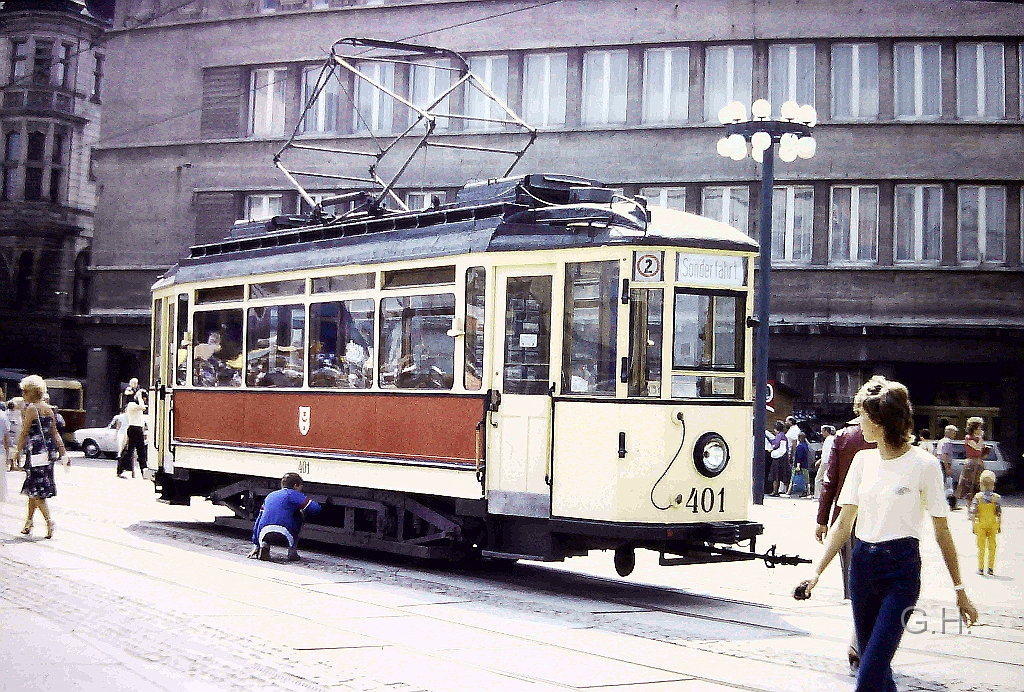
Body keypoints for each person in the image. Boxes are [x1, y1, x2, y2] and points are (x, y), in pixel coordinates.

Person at [797, 376, 978, 692]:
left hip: (901, 572)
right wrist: (816, 574)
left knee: (870, 673)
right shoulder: (862, 461)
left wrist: (960, 589)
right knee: (877, 670)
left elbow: (943, 531)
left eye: (863, 416)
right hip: (863, 567)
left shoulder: (924, 465)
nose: (858, 422)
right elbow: (843, 524)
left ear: (880, 421)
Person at [816, 413, 876, 675]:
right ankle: (861, 643)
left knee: (857, 583)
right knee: (877, 585)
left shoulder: (843, 436)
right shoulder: (885, 435)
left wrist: (822, 519)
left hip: (847, 516)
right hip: (879, 516)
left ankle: (858, 644)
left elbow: (830, 481)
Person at [13, 375, 70, 539]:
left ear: (32, 392)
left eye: (25, 391)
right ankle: (28, 522)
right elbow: (55, 433)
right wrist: (63, 452)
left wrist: (17, 452)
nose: (23, 394)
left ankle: (49, 521)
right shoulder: (48, 408)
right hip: (48, 454)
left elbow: (24, 432)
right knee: (34, 488)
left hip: (35, 453)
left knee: (36, 491)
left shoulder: (32, 409)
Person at [247, 473, 321, 561]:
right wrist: (298, 507)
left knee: (265, 517)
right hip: (284, 534)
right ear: (295, 486)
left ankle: (264, 545)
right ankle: (292, 552)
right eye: (301, 486)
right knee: (299, 514)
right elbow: (316, 508)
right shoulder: (293, 494)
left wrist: (256, 544)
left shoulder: (270, 496)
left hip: (264, 534)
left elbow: (258, 520)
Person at [969, 470, 1001, 576]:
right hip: (992, 524)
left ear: (981, 484)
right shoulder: (996, 498)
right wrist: (999, 526)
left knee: (981, 547)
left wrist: (973, 525)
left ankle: (981, 568)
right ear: (993, 484)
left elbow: (973, 512)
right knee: (992, 546)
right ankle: (991, 568)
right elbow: (998, 513)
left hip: (980, 524)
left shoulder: (978, 497)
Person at [956, 417, 987, 506]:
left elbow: (981, 451)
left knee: (979, 486)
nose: (980, 429)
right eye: (979, 427)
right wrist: (980, 438)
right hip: (971, 463)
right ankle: (969, 508)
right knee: (969, 486)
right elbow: (977, 447)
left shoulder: (978, 438)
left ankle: (977, 506)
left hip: (979, 463)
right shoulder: (968, 438)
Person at [117, 399, 147, 478]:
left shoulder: (136, 407)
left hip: (139, 429)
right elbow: (142, 407)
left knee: (141, 452)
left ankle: (143, 471)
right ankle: (121, 469)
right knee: (129, 451)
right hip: (133, 428)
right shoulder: (131, 404)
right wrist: (140, 396)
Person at [936, 424, 959, 510]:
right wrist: (947, 468)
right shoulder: (947, 442)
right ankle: (948, 504)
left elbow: (936, 453)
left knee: (942, 484)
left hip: (939, 463)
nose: (954, 435)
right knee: (946, 485)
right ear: (949, 432)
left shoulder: (941, 441)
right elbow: (944, 455)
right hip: (943, 463)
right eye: (954, 433)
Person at [814, 425, 836, 499]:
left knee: (818, 479)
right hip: (827, 461)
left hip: (826, 462)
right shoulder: (831, 439)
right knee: (826, 479)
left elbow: (829, 452)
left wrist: (823, 461)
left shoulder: (829, 439)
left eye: (823, 431)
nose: (822, 433)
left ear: (826, 431)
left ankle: (817, 496)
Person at [768, 421, 790, 496]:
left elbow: (775, 445)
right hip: (784, 457)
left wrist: (771, 448)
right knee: (784, 475)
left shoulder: (778, 436)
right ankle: (787, 491)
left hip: (778, 458)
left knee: (775, 476)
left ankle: (775, 491)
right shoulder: (784, 436)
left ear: (775, 429)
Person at [791, 432, 810, 497]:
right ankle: (808, 492)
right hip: (805, 464)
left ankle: (788, 492)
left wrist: (798, 465)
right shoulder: (806, 445)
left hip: (799, 465)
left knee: (793, 478)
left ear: (799, 438)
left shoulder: (800, 446)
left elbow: (799, 456)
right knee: (806, 479)